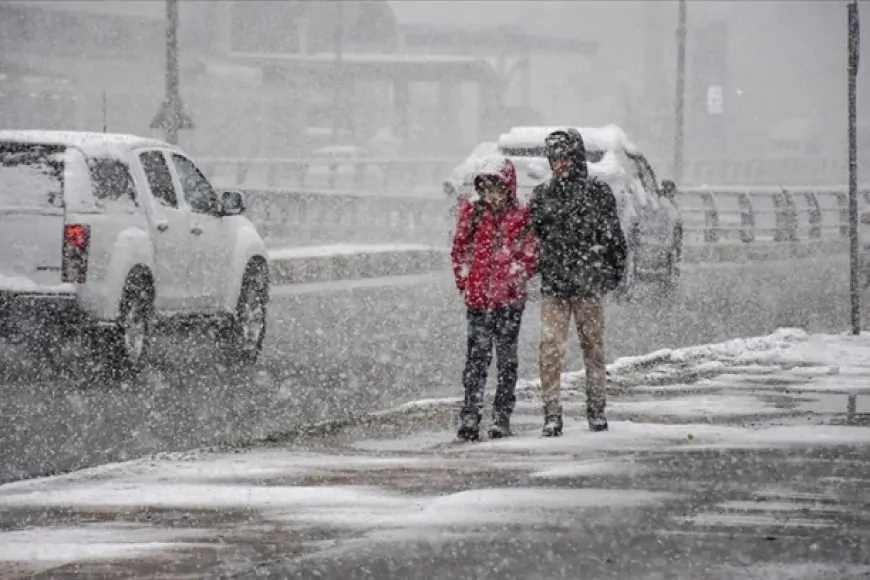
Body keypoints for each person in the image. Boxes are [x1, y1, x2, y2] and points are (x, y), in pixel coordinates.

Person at [529, 128, 627, 436]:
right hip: (556, 286)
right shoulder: (542, 195)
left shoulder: (597, 192)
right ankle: (552, 412)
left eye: (565, 157)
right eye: (555, 158)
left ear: (576, 158)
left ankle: (596, 408)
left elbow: (613, 238)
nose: (560, 164)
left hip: (587, 285)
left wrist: (610, 275)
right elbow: (534, 238)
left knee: (593, 349)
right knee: (550, 349)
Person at [450, 156, 538, 441]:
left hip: (509, 302)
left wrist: (515, 276)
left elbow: (531, 252)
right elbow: (460, 249)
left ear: (508, 187)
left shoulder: (522, 215)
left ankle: (502, 415)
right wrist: (466, 280)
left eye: (497, 189)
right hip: (478, 300)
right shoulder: (474, 213)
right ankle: (470, 414)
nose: (492, 195)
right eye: (486, 189)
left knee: (506, 360)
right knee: (476, 360)